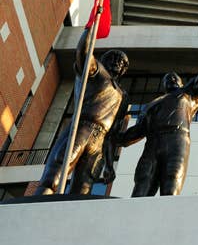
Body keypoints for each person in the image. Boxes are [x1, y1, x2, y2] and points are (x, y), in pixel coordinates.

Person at [119, 24, 198, 196]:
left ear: (181, 83)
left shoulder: (188, 94)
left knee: (171, 183)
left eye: (175, 77)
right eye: (167, 78)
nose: (171, 78)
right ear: (163, 85)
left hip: (177, 139)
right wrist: (112, 137)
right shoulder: (150, 105)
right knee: (142, 183)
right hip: (153, 142)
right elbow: (136, 132)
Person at [35, 29, 129, 195]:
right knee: (58, 169)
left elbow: (112, 134)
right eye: (114, 58)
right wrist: (90, 29)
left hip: (99, 140)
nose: (118, 62)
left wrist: (109, 163)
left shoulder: (122, 96)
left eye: (122, 61)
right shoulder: (97, 72)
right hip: (83, 127)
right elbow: (83, 53)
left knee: (83, 188)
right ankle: (37, 207)